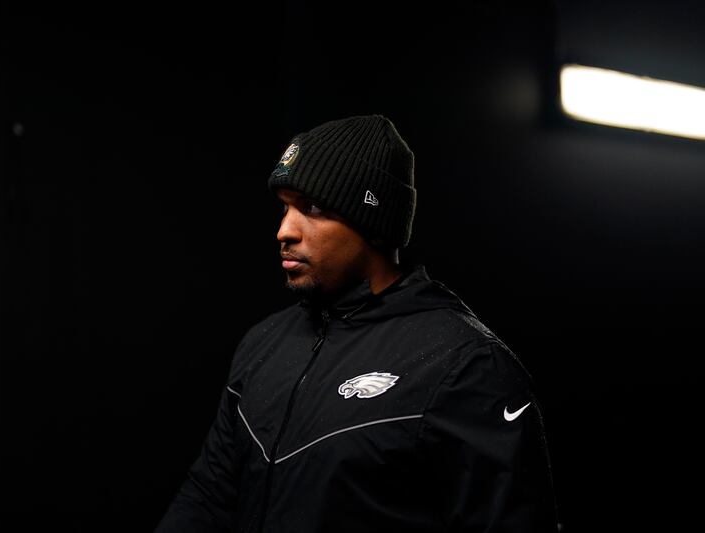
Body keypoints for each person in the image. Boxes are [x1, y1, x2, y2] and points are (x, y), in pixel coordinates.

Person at [153, 114, 558, 532]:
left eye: (312, 207)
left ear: (375, 226)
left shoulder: (466, 366)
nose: (283, 231)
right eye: (285, 207)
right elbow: (209, 495)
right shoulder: (265, 342)